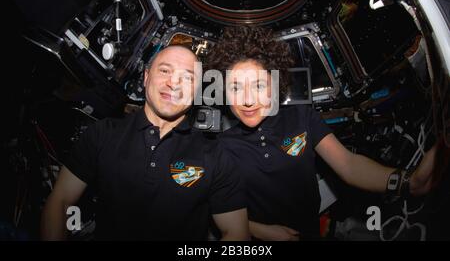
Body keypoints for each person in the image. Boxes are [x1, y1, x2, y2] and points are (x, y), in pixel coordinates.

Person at [206, 26, 441, 241]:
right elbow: (219, 213)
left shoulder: (301, 116)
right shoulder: (221, 147)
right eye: (235, 87)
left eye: (258, 85)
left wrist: (408, 182)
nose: (247, 100)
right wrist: (261, 231)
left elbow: (348, 165)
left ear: (275, 84)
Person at [41, 45, 250, 241]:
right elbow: (60, 201)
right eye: (165, 71)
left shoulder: (216, 155)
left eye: (188, 77)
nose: (173, 83)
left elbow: (236, 233)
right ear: (146, 77)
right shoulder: (102, 133)